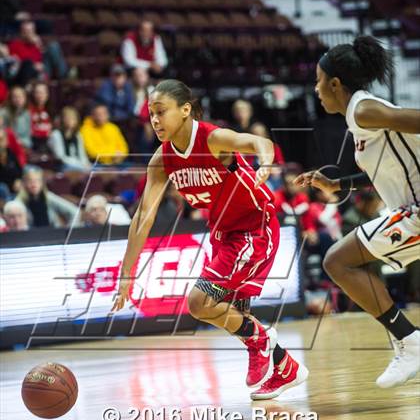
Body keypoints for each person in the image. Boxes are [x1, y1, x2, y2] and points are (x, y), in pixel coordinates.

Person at [112, 79, 308, 400]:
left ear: (185, 110)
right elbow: (142, 220)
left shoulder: (213, 139)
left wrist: (266, 163)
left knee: (199, 302)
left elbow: (259, 143)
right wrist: (127, 273)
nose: (156, 120)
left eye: (161, 112)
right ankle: (285, 366)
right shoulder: (161, 161)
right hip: (223, 234)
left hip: (254, 228)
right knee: (228, 311)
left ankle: (261, 342)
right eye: (151, 114)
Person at [295, 35, 420, 389]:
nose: (316, 89)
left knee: (338, 262)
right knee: (340, 262)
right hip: (409, 210)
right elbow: (383, 172)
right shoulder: (358, 116)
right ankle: (410, 342)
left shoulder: (364, 109)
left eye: (319, 81)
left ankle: (410, 343)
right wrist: (341, 186)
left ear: (336, 83)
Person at [48, 106, 91, 171]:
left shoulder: (77, 135)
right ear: (62, 119)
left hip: (79, 165)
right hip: (63, 165)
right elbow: (60, 157)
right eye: (68, 118)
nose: (70, 121)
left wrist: (86, 164)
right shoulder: (56, 134)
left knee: (97, 170)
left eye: (73, 118)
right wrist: (79, 164)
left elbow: (82, 154)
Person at [29, 82, 52, 152]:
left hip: (48, 143)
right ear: (33, 95)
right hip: (33, 143)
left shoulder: (52, 110)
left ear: (47, 94)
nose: (40, 95)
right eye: (37, 92)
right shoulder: (28, 110)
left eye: (42, 92)